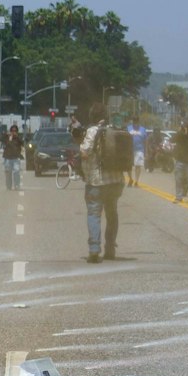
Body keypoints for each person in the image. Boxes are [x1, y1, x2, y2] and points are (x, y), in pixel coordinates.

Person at [76, 106, 124, 263]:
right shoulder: (115, 130)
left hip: (96, 181)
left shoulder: (92, 131)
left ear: (92, 117)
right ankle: (110, 249)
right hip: (116, 181)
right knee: (112, 213)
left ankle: (94, 250)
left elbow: (84, 153)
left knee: (94, 214)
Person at [1, 126, 24, 190]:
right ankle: (8, 186)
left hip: (16, 157)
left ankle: (17, 185)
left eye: (15, 131)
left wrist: (17, 137)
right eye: (12, 131)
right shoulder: (8, 137)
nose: (13, 132)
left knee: (16, 171)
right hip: (7, 157)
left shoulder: (18, 138)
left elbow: (23, 142)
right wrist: (7, 134)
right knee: (8, 172)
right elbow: (1, 139)